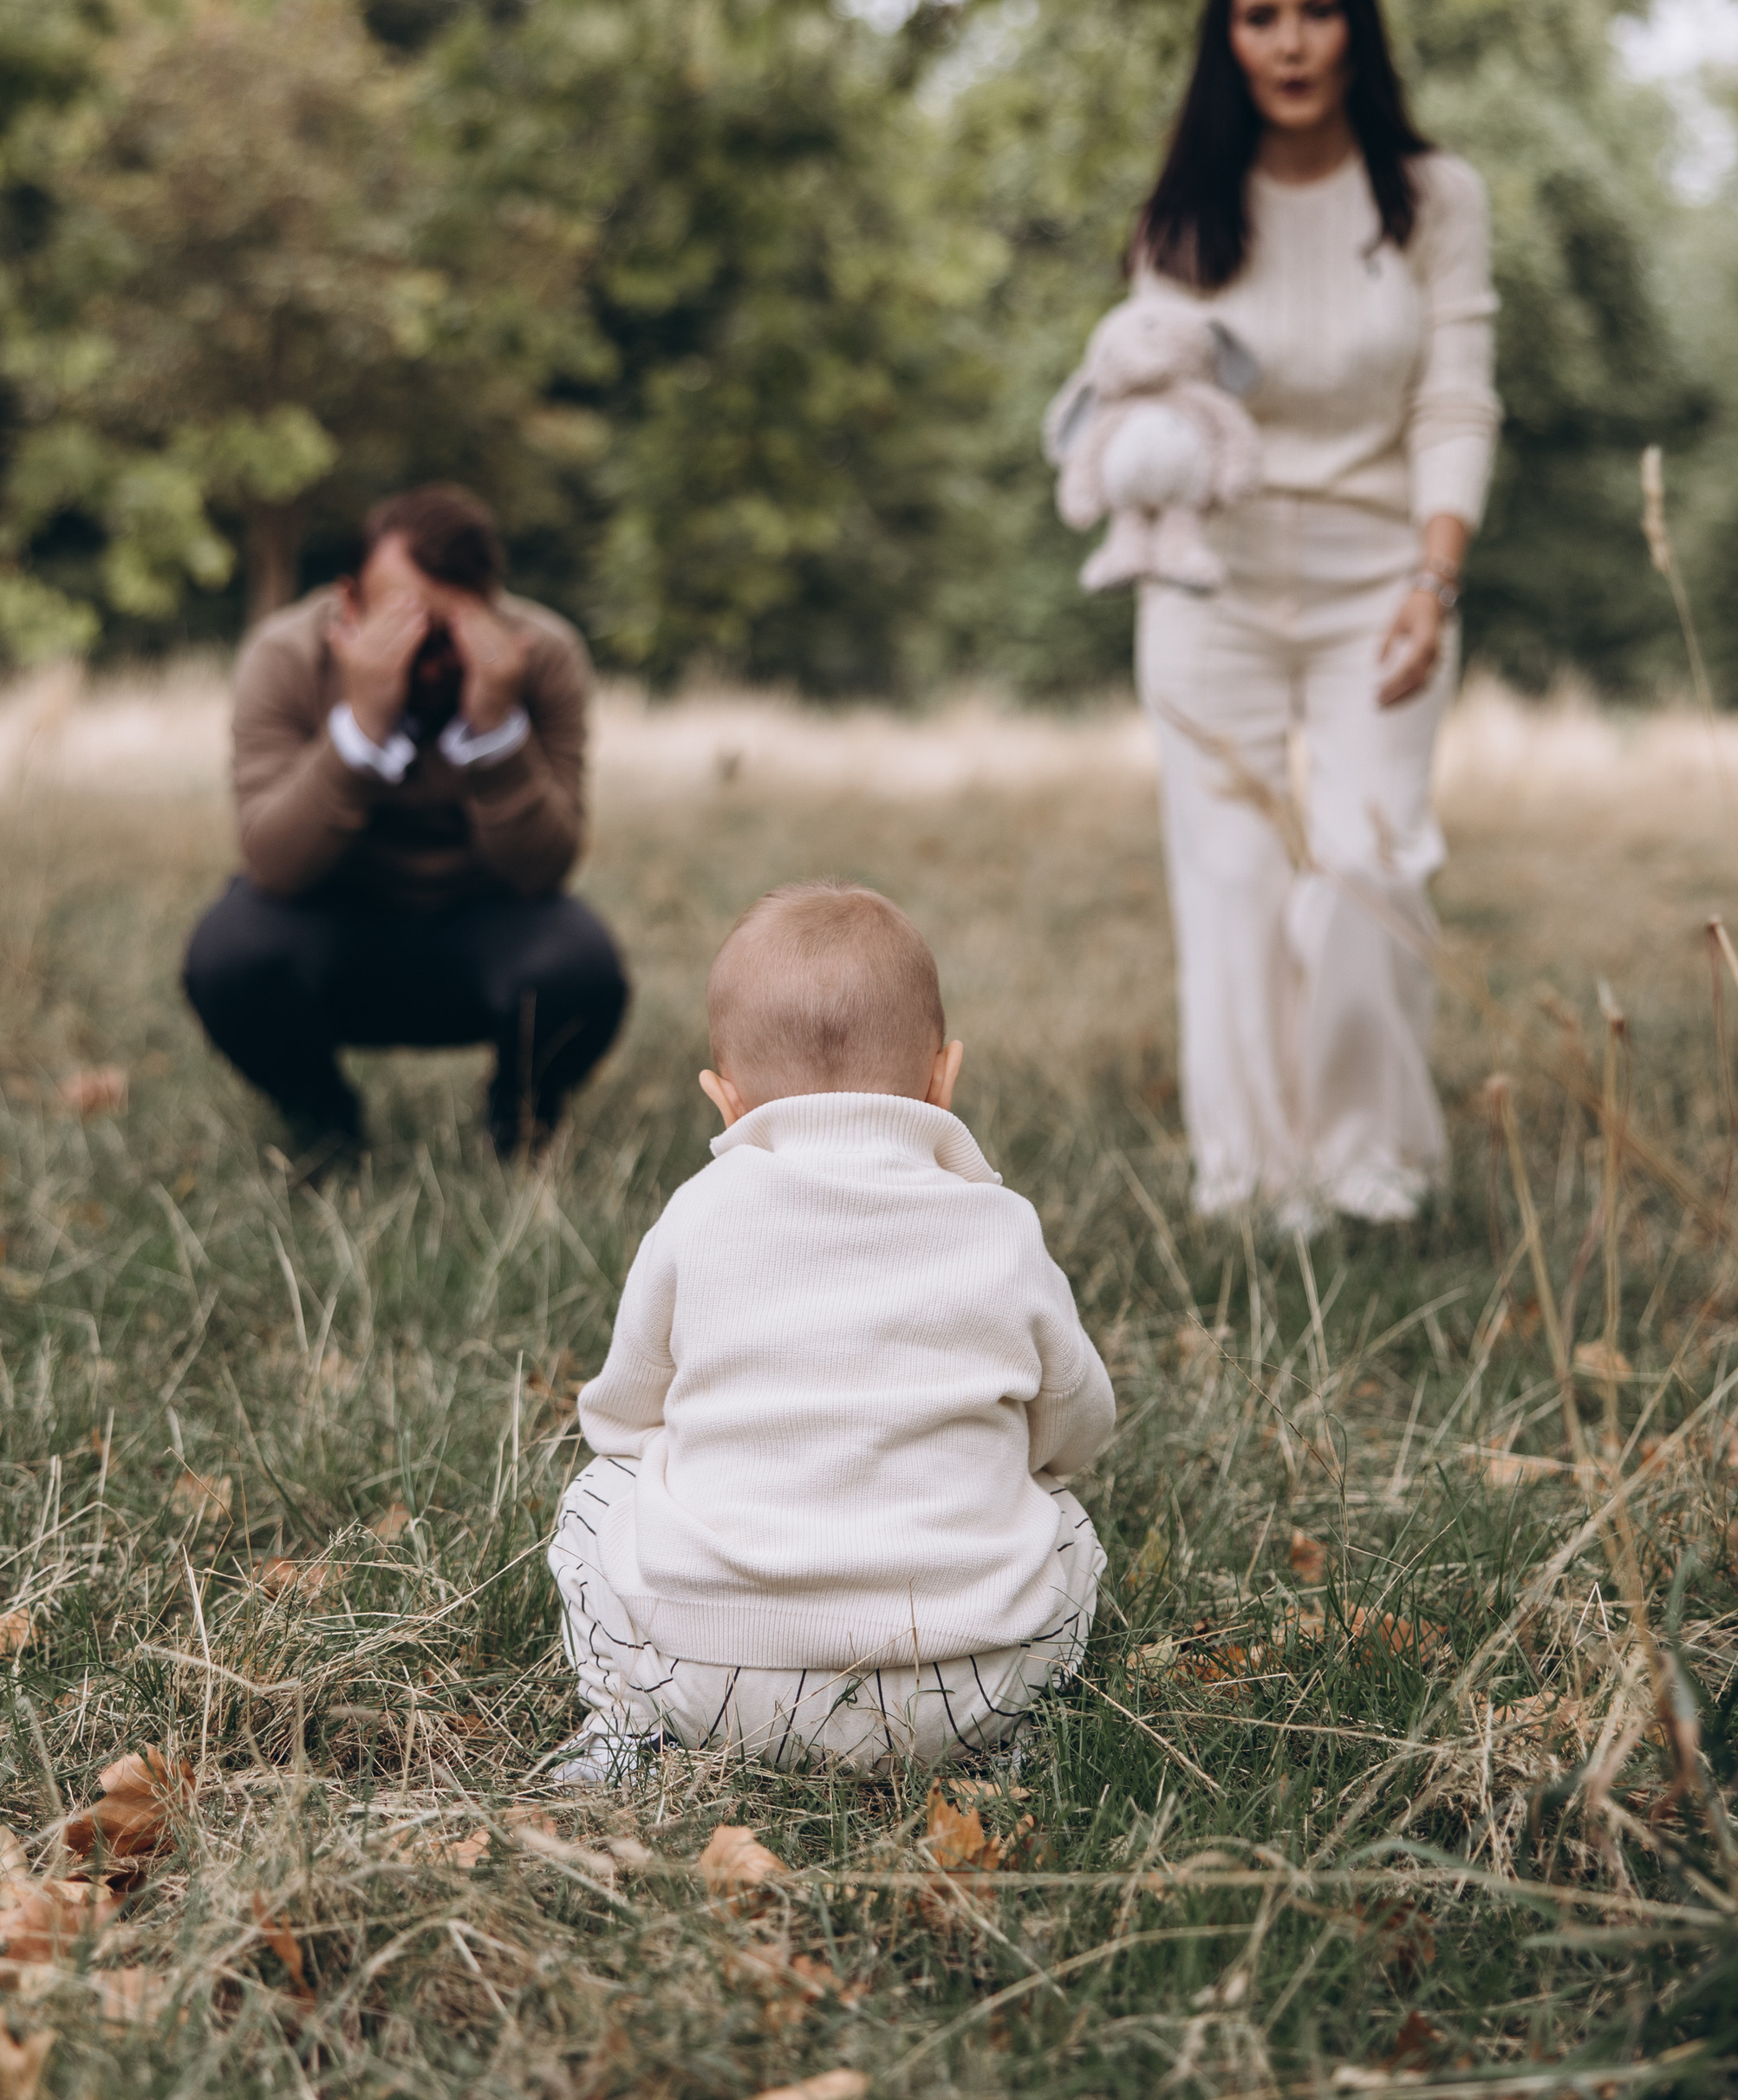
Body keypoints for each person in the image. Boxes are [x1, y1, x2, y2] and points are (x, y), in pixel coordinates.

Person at [544, 881, 1112, 1780]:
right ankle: (1009, 1747)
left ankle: (624, 1725)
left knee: (595, 1497)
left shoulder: (697, 1216)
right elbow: (1077, 1424)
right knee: (1067, 1526)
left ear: (724, 1100)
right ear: (942, 1076)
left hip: (713, 1681)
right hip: (963, 1684)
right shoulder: (998, 1225)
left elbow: (619, 1417)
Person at [1122, 0, 1500, 1233]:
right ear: (1229, 41)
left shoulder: (1433, 200)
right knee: (1228, 877)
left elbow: (1455, 403)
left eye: (1316, 10)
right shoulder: (1180, 217)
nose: (1291, 41)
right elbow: (1141, 407)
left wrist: (1432, 580)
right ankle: (1253, 1182)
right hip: (1209, 587)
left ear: (1357, 26)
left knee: (1364, 861)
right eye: (1261, 16)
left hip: (1379, 585)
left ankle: (1370, 1165)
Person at [181, 484, 628, 1171]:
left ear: (490, 607)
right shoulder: (285, 654)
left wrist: (496, 731)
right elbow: (273, 863)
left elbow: (544, 871)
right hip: (325, 915)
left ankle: (520, 1125)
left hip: (488, 918)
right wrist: (361, 728)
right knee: (228, 957)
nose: (431, 654)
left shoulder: (542, 655)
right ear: (349, 603)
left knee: (583, 967)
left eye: (451, 627)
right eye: (406, 622)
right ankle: (325, 1126)